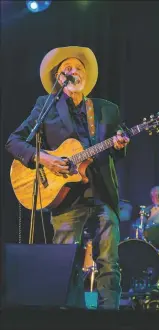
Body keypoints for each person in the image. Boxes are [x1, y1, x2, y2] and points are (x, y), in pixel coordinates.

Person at [5, 46, 130, 310]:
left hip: (102, 193)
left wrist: (120, 144)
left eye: (79, 68)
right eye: (68, 69)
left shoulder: (107, 110)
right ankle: (67, 317)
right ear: (58, 77)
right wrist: (46, 159)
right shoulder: (45, 107)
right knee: (64, 262)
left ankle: (111, 316)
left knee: (109, 262)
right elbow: (14, 142)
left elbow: (118, 151)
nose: (75, 72)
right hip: (64, 198)